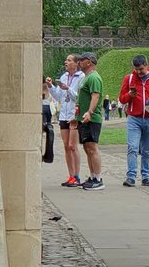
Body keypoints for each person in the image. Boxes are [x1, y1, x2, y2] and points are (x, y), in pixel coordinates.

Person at [119, 55, 149, 187]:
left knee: (146, 150)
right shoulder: (129, 79)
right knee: (133, 147)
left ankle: (146, 176)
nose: (138, 72)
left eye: (141, 69)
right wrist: (130, 95)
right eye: (136, 69)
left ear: (147, 65)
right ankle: (131, 176)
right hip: (134, 118)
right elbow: (122, 99)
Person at [45, 53, 84, 186]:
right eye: (66, 60)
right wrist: (51, 87)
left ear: (76, 63)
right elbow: (58, 97)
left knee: (73, 146)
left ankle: (77, 176)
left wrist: (68, 89)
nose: (66, 62)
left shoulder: (81, 77)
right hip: (63, 114)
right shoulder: (64, 76)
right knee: (66, 146)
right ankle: (71, 175)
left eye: (69, 60)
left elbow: (79, 97)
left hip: (74, 115)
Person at [75, 52, 105, 190]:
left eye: (82, 60)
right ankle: (93, 176)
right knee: (87, 148)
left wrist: (90, 112)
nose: (79, 62)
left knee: (92, 147)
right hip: (84, 118)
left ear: (89, 62)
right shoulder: (86, 77)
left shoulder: (94, 77)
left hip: (91, 118)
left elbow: (95, 96)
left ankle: (98, 178)